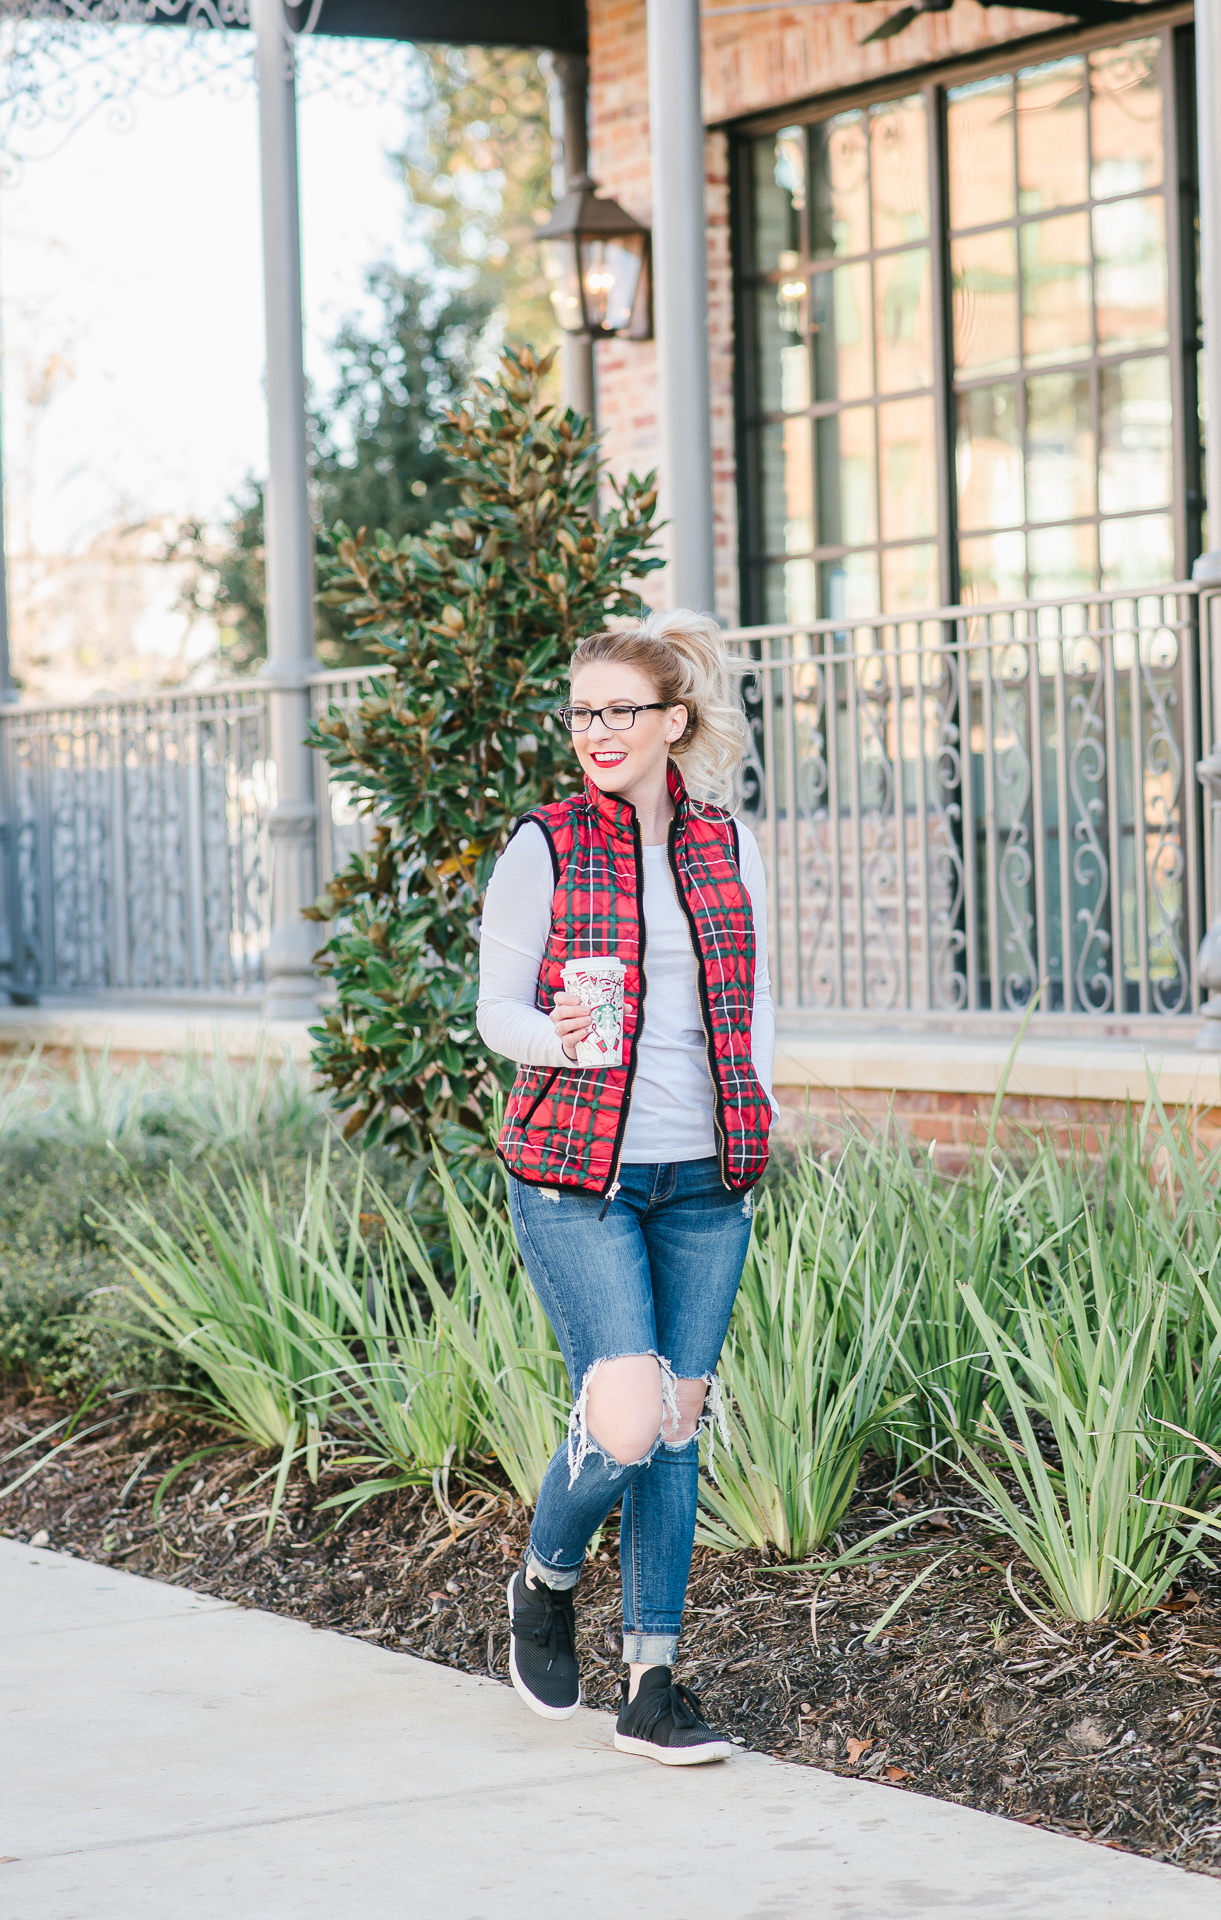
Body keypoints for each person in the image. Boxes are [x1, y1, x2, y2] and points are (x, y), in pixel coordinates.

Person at [476, 607, 776, 1767]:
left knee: (680, 1425)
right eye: (583, 713)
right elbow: (494, 1012)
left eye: (620, 711)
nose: (597, 731)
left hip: (705, 1174)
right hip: (575, 1173)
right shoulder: (543, 847)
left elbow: (750, 1007)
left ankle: (653, 1683)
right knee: (626, 1417)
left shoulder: (729, 846)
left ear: (673, 721)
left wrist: (760, 1120)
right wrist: (556, 1035)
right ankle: (545, 1581)